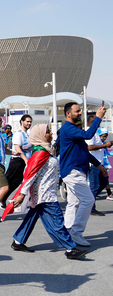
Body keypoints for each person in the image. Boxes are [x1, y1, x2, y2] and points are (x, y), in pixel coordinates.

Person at [2, 124, 87, 260]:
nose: (51, 133)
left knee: (32, 216)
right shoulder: (40, 153)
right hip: (45, 195)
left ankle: (18, 241)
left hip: (45, 193)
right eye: (47, 132)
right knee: (57, 220)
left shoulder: (46, 150)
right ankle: (70, 248)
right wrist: (22, 194)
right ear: (40, 135)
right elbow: (30, 175)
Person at [59, 102, 108, 247]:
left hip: (76, 171)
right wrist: (98, 118)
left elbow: (84, 150)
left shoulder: (72, 129)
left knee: (73, 203)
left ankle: (67, 231)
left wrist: (99, 165)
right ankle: (76, 232)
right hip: (72, 171)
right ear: (68, 114)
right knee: (88, 200)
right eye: (77, 111)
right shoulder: (68, 128)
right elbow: (87, 135)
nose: (80, 113)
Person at [1, 115, 33, 209]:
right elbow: (18, 149)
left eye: (30, 122)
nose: (29, 123)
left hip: (25, 161)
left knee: (21, 182)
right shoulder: (18, 134)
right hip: (18, 161)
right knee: (10, 182)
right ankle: (0, 200)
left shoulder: (27, 134)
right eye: (27, 121)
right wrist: (26, 160)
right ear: (21, 122)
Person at [87, 127, 113, 215]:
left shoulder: (101, 142)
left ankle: (88, 200)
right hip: (94, 165)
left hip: (101, 165)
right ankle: (91, 208)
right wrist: (104, 145)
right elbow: (89, 147)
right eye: (103, 136)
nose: (104, 138)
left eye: (106, 137)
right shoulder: (93, 137)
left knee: (104, 182)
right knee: (94, 186)